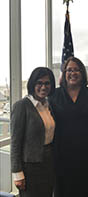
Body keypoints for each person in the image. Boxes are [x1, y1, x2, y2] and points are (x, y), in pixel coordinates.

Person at [49, 57, 88, 197]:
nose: (73, 73)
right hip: (61, 155)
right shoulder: (54, 95)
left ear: (82, 73)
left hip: (86, 155)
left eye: (77, 69)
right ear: (64, 73)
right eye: (69, 70)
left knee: (84, 190)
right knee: (62, 191)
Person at [11, 67, 56, 197]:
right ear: (32, 84)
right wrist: (17, 173)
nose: (43, 87)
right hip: (30, 168)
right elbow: (15, 143)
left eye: (47, 83)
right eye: (39, 83)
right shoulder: (22, 106)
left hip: (48, 164)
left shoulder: (48, 105)